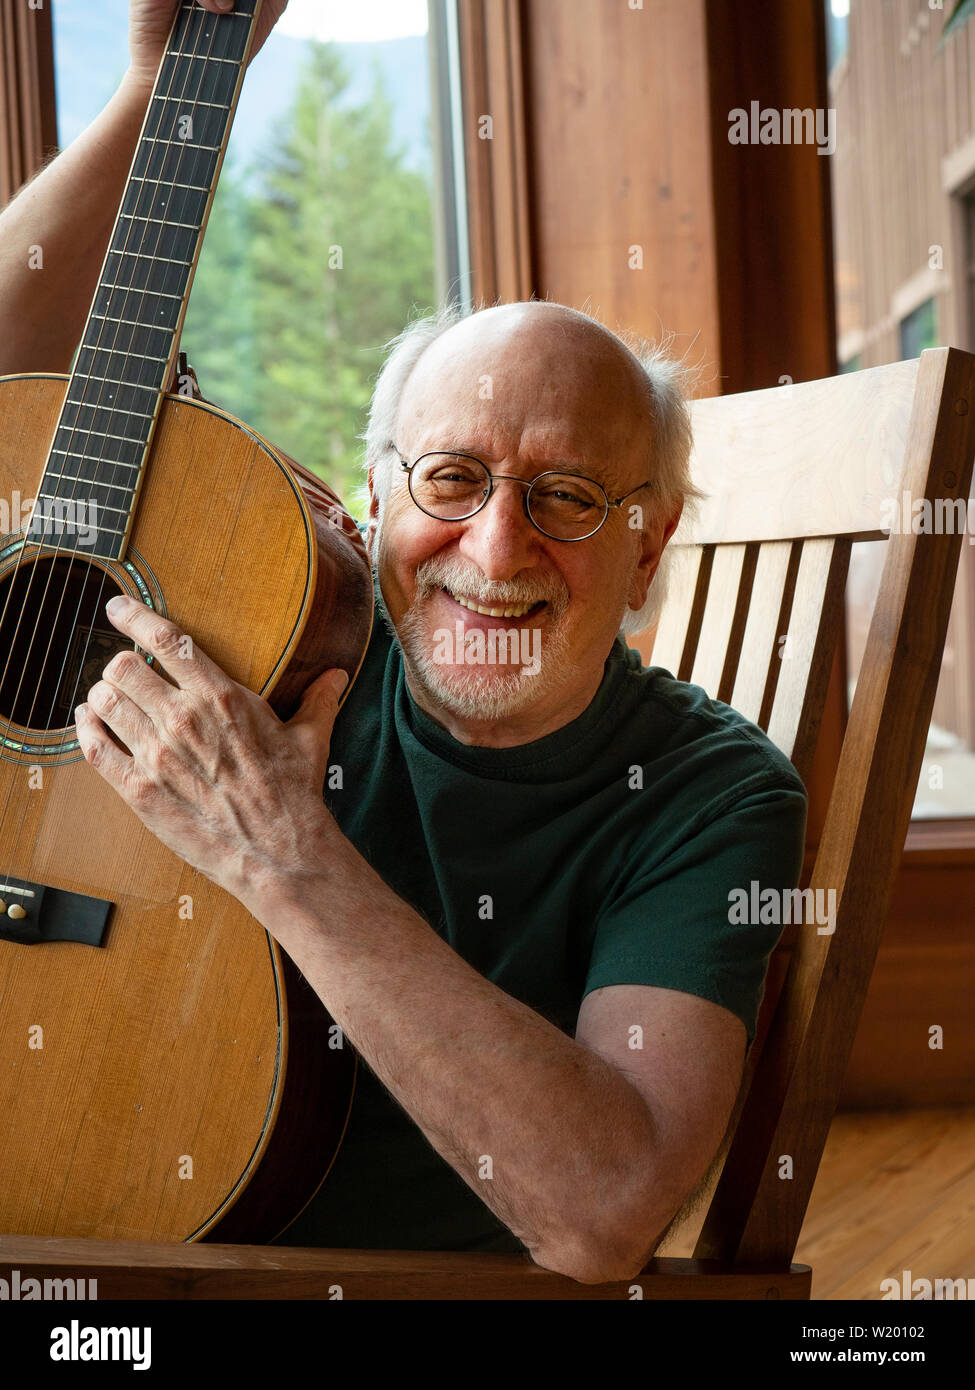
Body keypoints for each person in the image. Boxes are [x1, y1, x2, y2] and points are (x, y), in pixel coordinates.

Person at [0, 0, 807, 1284]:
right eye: (450, 480)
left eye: (570, 498)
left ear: (649, 548)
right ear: (368, 509)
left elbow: (603, 1214)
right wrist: (157, 86)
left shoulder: (712, 797)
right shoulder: (272, 621)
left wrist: (284, 854)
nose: (495, 552)